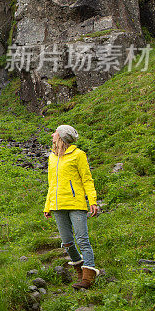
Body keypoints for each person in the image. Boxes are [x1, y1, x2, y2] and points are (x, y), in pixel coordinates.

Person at [43, 124, 100, 289]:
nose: (52, 135)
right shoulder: (52, 157)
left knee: (82, 240)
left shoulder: (78, 155)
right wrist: (48, 206)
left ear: (61, 136)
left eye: (55, 132)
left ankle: (88, 278)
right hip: (57, 205)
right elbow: (51, 184)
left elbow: (87, 179)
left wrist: (93, 201)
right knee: (67, 242)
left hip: (76, 204)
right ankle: (80, 269)